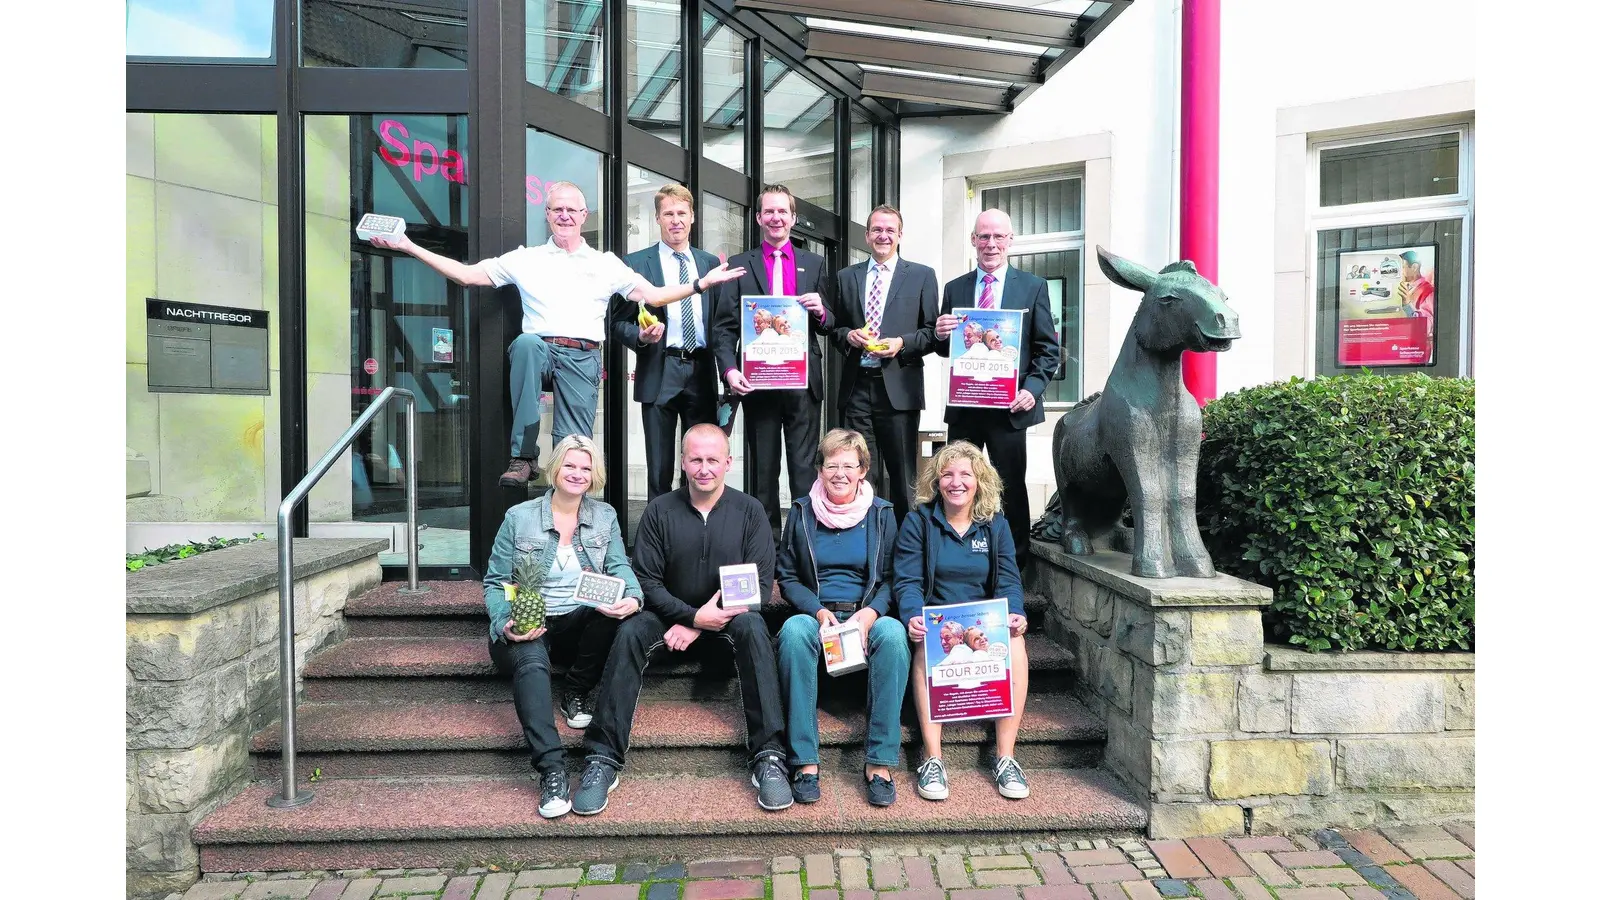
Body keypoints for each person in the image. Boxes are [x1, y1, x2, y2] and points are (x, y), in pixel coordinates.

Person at [367, 182, 745, 487]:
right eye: (557, 209)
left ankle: (572, 527)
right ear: (548, 216)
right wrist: (407, 245)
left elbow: (656, 295)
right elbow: (466, 275)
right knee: (527, 344)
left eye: (572, 209)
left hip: (583, 357)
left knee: (574, 450)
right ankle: (524, 456)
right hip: (542, 351)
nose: (564, 215)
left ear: (583, 216)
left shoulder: (605, 264)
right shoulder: (526, 258)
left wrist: (700, 284)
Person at [572, 424, 793, 814]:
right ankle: (602, 757)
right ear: (683, 462)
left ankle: (769, 756)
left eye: (712, 459)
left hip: (728, 622)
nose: (704, 468)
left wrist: (699, 623)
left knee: (755, 628)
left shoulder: (750, 511)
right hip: (666, 619)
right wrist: (690, 614)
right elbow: (647, 581)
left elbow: (757, 586)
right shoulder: (660, 510)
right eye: (695, 459)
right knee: (630, 631)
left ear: (728, 462)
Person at [481, 434, 645, 819]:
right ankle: (552, 771)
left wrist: (633, 597)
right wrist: (506, 624)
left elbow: (619, 566)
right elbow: (495, 581)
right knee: (531, 659)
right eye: (570, 465)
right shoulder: (519, 518)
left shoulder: (603, 517)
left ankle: (576, 690)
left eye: (586, 468)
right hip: (528, 621)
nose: (578, 474)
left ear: (595, 475)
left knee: (613, 616)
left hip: (577, 623)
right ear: (555, 469)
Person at [775, 429, 909, 807]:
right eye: (831, 464)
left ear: (863, 470)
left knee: (895, 635)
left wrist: (869, 615)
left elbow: (892, 577)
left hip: (865, 612)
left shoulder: (882, 513)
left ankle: (880, 763)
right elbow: (787, 576)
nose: (839, 473)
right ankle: (804, 762)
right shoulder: (801, 513)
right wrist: (817, 611)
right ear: (819, 469)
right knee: (792, 631)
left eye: (849, 465)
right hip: (817, 614)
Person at [894, 440, 1031, 802]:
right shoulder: (918, 522)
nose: (956, 482)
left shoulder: (995, 525)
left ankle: (1005, 757)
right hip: (938, 618)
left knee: (1016, 644)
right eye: (948, 474)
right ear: (936, 481)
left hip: (984, 622)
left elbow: (1008, 579)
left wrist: (1015, 612)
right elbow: (907, 580)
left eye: (965, 474)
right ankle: (933, 758)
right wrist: (911, 616)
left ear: (979, 481)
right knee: (927, 641)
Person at [934, 208, 1061, 570]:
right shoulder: (955, 288)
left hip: (1010, 409)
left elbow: (1047, 350)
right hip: (966, 406)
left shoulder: (1032, 286)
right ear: (973, 240)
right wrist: (941, 333)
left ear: (1010, 241)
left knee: (1009, 487)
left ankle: (1015, 566)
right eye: (984, 236)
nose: (991, 244)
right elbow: (947, 349)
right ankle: (956, 559)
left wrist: (1032, 390)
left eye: (998, 237)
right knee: (957, 483)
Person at [713, 184, 836, 538]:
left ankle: (802, 546)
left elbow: (828, 322)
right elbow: (724, 329)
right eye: (769, 211)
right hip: (758, 384)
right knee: (763, 472)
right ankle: (766, 547)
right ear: (758, 218)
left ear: (793, 218)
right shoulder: (738, 266)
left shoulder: (814, 264)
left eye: (783, 211)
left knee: (802, 470)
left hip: (802, 385)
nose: (776, 217)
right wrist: (729, 369)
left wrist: (821, 312)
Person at [607, 184, 725, 500]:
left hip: (701, 370)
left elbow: (721, 322)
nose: (675, 220)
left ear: (692, 217)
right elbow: (616, 323)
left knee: (701, 463)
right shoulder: (636, 263)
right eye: (668, 214)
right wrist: (640, 337)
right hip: (659, 369)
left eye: (681, 213)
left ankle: (698, 535)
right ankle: (660, 539)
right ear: (658, 219)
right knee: (659, 468)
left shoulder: (710, 263)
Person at [828, 205, 940, 524]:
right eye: (877, 230)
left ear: (900, 236)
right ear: (866, 235)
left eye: (890, 230)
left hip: (898, 388)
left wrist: (902, 343)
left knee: (903, 475)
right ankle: (866, 543)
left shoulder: (921, 276)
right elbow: (834, 327)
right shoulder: (846, 277)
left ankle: (905, 550)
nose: (883, 236)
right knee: (859, 471)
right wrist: (848, 335)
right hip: (856, 387)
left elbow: (933, 333)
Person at [1396, 250, 1436, 322]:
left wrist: (1407, 305)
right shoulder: (1402, 289)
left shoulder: (1429, 292)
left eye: (1402, 267)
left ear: (1414, 267)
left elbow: (1426, 326)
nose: (1398, 273)